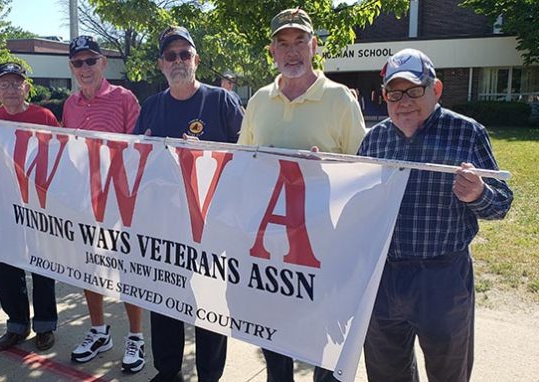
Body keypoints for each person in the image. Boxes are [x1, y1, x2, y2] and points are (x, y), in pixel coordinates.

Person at [359, 48, 513, 382]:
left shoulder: (467, 133)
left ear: (436, 89)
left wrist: (478, 194)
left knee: (448, 373)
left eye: (415, 90)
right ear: (384, 96)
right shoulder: (374, 141)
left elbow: (501, 202)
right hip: (384, 277)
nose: (404, 101)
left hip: (443, 278)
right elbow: (356, 204)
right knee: (385, 373)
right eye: (394, 93)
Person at [237, 8, 366, 382]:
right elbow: (242, 163)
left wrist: (323, 169)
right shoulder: (259, 100)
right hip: (271, 249)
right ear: (272, 51)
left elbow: (364, 172)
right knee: (275, 335)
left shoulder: (340, 99)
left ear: (314, 46)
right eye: (283, 43)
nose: (292, 52)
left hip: (324, 246)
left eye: (299, 42)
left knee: (326, 337)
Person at [134, 26, 244, 382]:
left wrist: (205, 157)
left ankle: (209, 376)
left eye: (185, 54)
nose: (178, 61)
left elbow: (247, 161)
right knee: (164, 302)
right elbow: (131, 165)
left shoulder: (220, 102)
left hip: (211, 230)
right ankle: (168, 372)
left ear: (196, 60)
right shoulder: (151, 106)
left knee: (210, 309)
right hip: (163, 227)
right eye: (171, 55)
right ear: (160, 64)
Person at [61, 36, 146, 374]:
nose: (85, 68)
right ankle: (99, 332)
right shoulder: (69, 104)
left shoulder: (124, 98)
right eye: (78, 63)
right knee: (89, 268)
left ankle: (136, 336)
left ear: (103, 64)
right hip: (85, 202)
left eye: (90, 61)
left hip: (121, 203)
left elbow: (138, 151)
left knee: (129, 272)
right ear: (71, 67)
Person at [0, 62, 60, 352]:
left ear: (26, 87)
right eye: (4, 84)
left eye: (16, 83)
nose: (10, 89)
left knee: (43, 266)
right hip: (4, 208)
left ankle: (45, 325)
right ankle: (16, 324)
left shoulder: (43, 117)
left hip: (38, 206)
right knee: (6, 266)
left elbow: (60, 158)